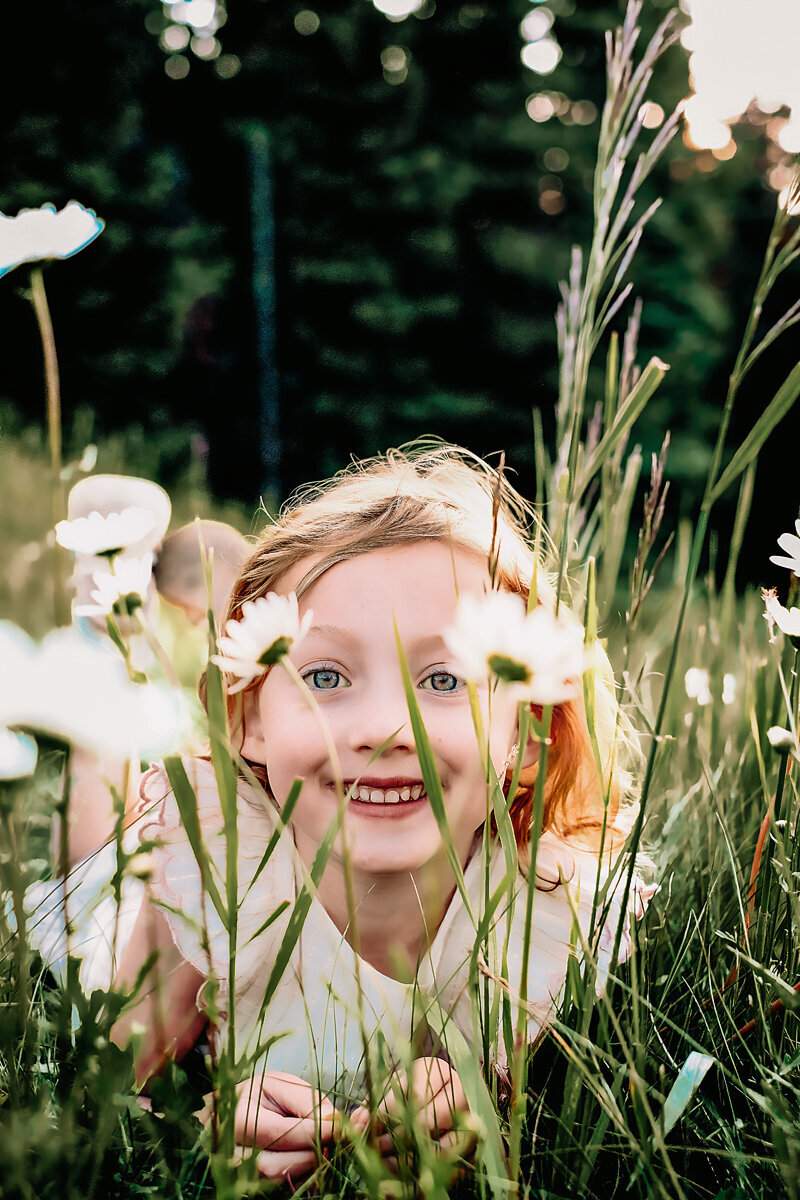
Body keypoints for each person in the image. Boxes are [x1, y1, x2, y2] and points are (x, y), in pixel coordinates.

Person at [49, 444, 645, 1181]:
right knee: (93, 849)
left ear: (527, 735)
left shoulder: (538, 909)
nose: (384, 728)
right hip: (135, 908)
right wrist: (201, 1122)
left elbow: (544, 1103)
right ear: (249, 723)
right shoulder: (212, 874)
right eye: (325, 675)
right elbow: (109, 1088)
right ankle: (104, 630)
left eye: (443, 677)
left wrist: (478, 1105)